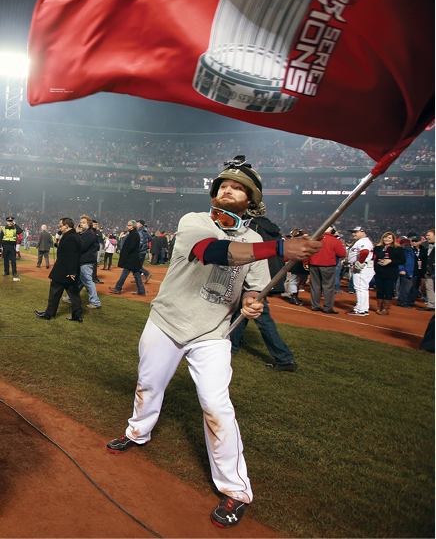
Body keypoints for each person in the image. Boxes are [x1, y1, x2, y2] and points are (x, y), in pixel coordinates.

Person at [106, 156, 321, 529]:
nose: (228, 189)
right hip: (167, 321)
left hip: (213, 332)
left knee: (216, 406)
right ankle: (137, 432)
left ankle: (236, 490)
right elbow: (211, 252)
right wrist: (281, 248)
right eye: (223, 185)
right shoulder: (195, 221)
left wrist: (254, 302)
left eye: (237, 187)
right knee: (149, 385)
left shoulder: (254, 239)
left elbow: (254, 288)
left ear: (251, 201)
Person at [230, 202, 298, 371]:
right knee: (242, 311)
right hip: (269, 276)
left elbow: (248, 253)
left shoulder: (250, 228)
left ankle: (284, 358)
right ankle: (231, 346)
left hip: (255, 278)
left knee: (262, 318)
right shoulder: (271, 228)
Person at [34, 217, 83, 322]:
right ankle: (77, 316)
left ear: (66, 226)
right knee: (74, 294)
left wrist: (71, 272)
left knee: (54, 292)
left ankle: (49, 314)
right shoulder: (72, 235)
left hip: (64, 272)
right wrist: (57, 243)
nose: (60, 227)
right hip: (68, 271)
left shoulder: (71, 237)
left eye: (61, 225)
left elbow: (72, 255)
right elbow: (66, 251)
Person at [62, 215, 102, 310]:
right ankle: (70, 298)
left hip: (86, 262)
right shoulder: (85, 233)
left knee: (88, 281)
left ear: (89, 224)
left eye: (84, 223)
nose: (81, 224)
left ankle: (95, 302)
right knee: (79, 282)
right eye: (80, 222)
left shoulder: (89, 233)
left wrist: (76, 234)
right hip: (83, 261)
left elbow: (81, 246)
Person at [307, 225, 346, 314]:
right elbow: (342, 253)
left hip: (313, 264)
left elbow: (307, 251)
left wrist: (306, 263)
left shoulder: (314, 239)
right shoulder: (335, 240)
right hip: (328, 265)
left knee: (315, 286)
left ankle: (315, 306)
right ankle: (328, 307)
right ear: (331, 231)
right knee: (328, 287)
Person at [109, 220, 145, 296]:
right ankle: (141, 290)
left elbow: (131, 246)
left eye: (128, 225)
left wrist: (126, 253)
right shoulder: (134, 233)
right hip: (133, 258)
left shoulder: (134, 234)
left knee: (125, 272)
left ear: (132, 226)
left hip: (131, 258)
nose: (127, 226)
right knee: (136, 274)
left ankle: (118, 288)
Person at [373, 232, 406, 315]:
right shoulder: (378, 248)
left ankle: (386, 309)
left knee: (388, 290)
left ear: (393, 240)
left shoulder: (398, 249)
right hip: (379, 272)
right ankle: (379, 307)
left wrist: (391, 261)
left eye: (389, 238)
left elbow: (403, 260)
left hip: (391, 273)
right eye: (385, 237)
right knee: (379, 290)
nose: (387, 239)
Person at [345, 226, 374, 316]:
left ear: (363, 232)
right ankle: (364, 308)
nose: (354, 234)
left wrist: (360, 262)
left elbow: (365, 251)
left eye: (356, 232)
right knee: (363, 289)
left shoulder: (363, 241)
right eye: (353, 232)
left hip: (362, 267)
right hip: (365, 266)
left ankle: (360, 309)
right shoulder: (364, 241)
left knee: (360, 288)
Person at [281, 229, 309, 306]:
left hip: (298, 263)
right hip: (296, 263)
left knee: (297, 281)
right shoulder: (297, 243)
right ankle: (292, 296)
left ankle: (293, 295)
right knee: (293, 281)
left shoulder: (296, 243)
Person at [417, 229, 436, 312]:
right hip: (429, 271)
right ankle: (432, 305)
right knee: (429, 288)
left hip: (434, 271)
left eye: (429, 235)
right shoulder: (427, 245)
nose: (427, 237)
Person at [135, 219, 152, 283]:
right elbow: (150, 238)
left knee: (136, 265)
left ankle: (147, 273)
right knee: (139, 265)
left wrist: (137, 249)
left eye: (137, 223)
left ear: (140, 224)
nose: (136, 224)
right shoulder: (145, 230)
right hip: (144, 250)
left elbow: (140, 242)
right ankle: (137, 279)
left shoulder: (140, 231)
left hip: (140, 250)